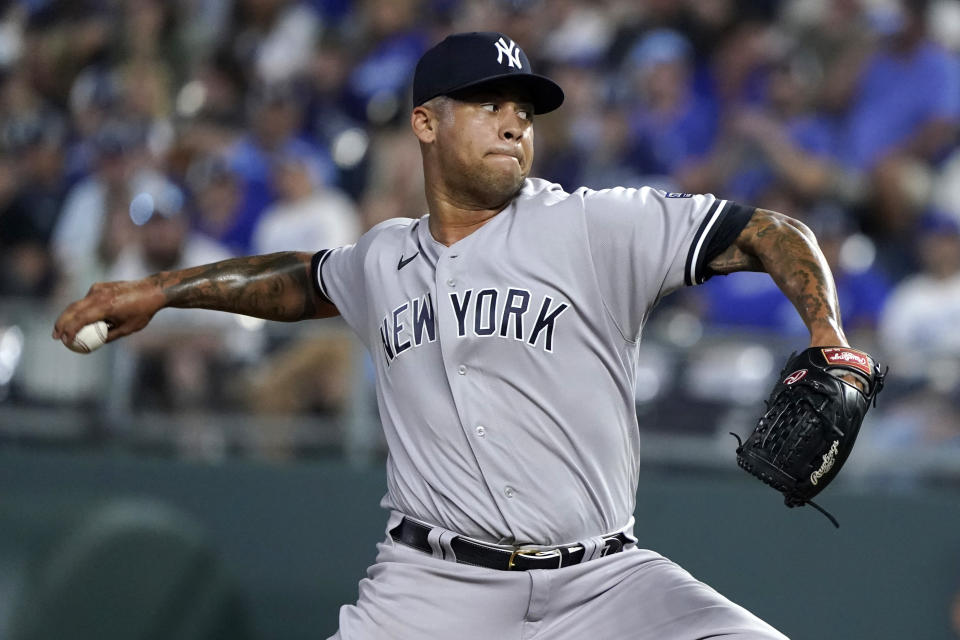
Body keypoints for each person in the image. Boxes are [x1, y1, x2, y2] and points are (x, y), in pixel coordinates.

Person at [53, 31, 867, 639]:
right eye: (488, 104)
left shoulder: (592, 226)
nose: (514, 123)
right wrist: (160, 289)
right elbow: (298, 281)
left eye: (524, 110)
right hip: (430, 590)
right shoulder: (383, 261)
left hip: (605, 587)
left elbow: (769, 229)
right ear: (426, 124)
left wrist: (830, 338)